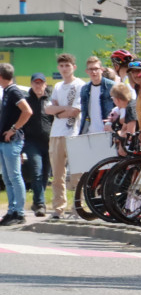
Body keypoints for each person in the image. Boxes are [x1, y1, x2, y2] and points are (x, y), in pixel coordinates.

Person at [44, 53, 84, 219]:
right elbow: (49, 109)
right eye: (61, 66)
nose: (64, 68)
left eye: (67, 65)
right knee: (57, 175)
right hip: (56, 133)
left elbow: (75, 111)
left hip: (73, 133)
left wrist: (59, 110)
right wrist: (61, 110)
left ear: (73, 67)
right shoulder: (58, 86)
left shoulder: (80, 85)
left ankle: (77, 208)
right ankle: (58, 208)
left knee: (76, 175)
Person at [0, 63, 32, 226]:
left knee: (14, 175)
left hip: (12, 140)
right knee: (7, 177)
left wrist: (13, 129)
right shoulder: (6, 91)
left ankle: (19, 212)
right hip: (4, 141)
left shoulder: (13, 91)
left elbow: (27, 111)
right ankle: (12, 210)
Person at [23, 73, 52, 217]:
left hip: (48, 142)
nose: (38, 85)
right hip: (31, 142)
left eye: (41, 83)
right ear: (31, 84)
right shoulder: (26, 101)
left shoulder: (51, 101)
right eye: (35, 83)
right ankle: (40, 204)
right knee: (36, 170)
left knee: (45, 174)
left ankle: (36, 201)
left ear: (45, 85)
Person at [77, 56, 115, 135]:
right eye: (90, 69)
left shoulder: (111, 86)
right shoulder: (85, 89)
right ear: (87, 71)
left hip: (107, 131)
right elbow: (84, 112)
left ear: (101, 70)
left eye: (96, 69)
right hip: (90, 132)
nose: (93, 72)